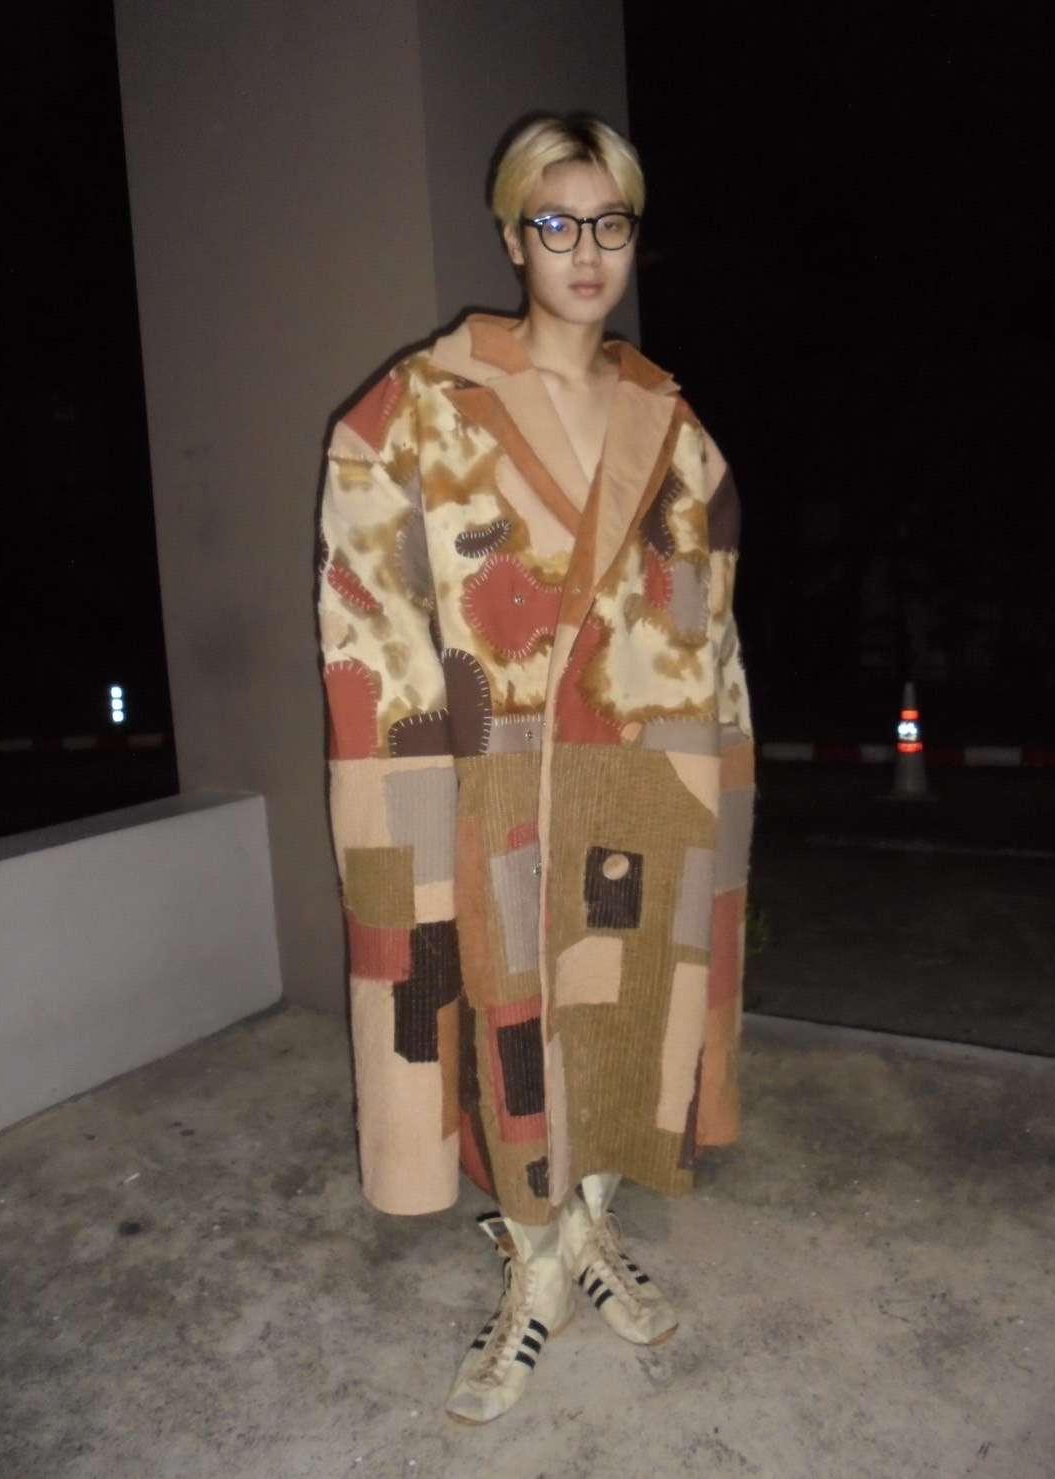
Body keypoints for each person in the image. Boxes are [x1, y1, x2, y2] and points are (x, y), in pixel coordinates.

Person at [317, 113, 753, 1425]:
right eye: (555, 223)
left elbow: (712, 620)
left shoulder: (670, 420)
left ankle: (591, 1226)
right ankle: (535, 1264)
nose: (584, 251)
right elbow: (368, 614)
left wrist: (719, 773)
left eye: (609, 223)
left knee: (625, 1017)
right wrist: (417, 793)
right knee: (509, 1030)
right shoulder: (423, 405)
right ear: (513, 237)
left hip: (648, 772)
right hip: (495, 776)